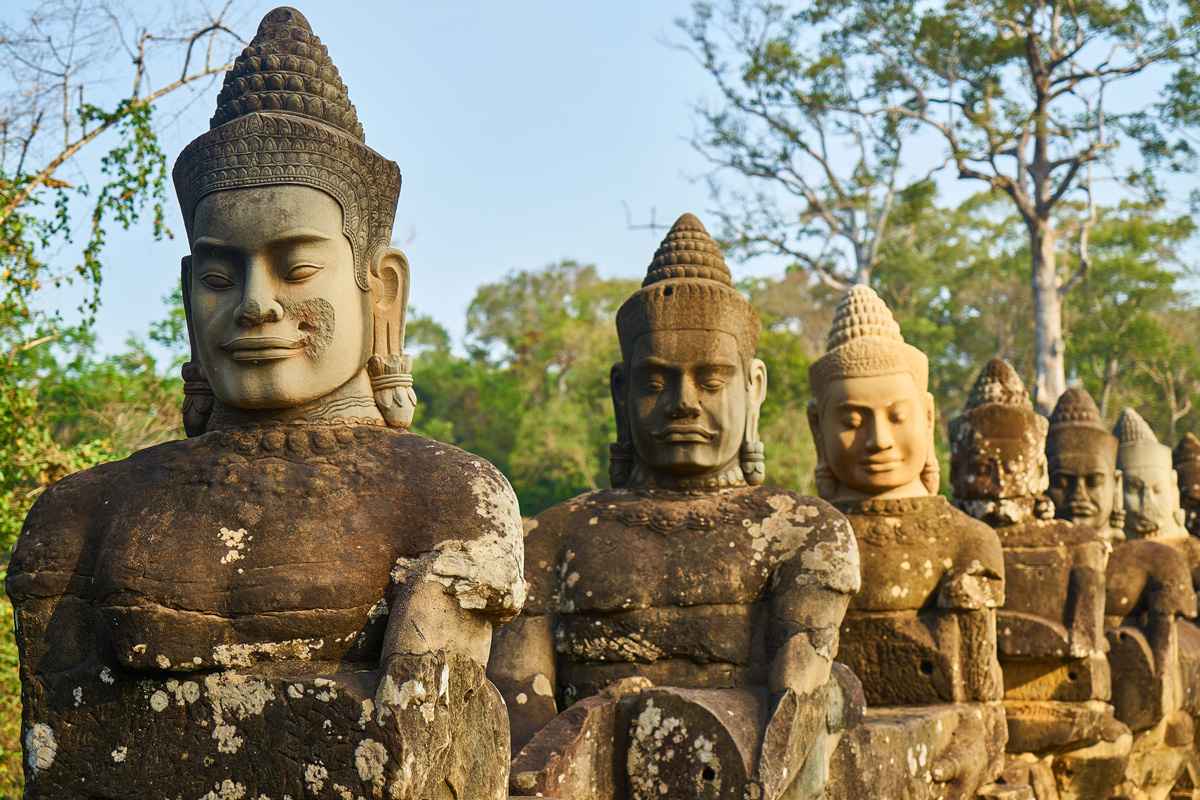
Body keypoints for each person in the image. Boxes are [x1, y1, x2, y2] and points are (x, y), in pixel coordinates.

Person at [6, 8, 524, 799]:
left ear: (378, 291)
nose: (254, 306)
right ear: (189, 296)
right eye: (220, 276)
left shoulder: (452, 499)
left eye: (296, 269)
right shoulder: (83, 515)